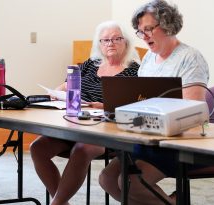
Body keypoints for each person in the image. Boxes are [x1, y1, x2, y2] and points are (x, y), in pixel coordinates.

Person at [99, 1, 209, 204]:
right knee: (107, 179)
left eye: (149, 29)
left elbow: (192, 114)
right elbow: (140, 100)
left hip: (179, 144)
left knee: (132, 181)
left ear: (168, 25)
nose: (144, 36)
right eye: (140, 32)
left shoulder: (190, 58)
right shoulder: (149, 58)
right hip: (148, 137)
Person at [30, 21, 140, 205]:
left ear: (126, 42)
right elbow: (66, 86)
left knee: (82, 148)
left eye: (116, 39)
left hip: (107, 132)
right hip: (75, 124)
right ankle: (62, 202)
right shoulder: (91, 64)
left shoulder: (135, 71)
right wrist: (57, 94)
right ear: (99, 44)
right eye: (105, 40)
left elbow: (135, 106)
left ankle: (56, 203)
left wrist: (104, 106)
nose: (110, 43)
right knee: (37, 148)